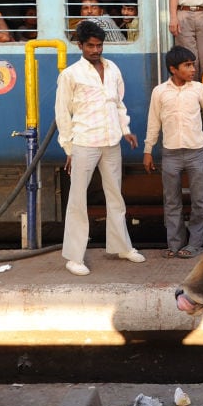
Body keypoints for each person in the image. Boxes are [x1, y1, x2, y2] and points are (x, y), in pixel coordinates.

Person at [55, 20, 146, 276]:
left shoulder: (113, 68)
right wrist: (69, 149)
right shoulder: (70, 75)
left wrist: (126, 131)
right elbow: (62, 114)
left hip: (112, 141)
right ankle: (74, 257)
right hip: (84, 142)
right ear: (80, 45)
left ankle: (121, 247)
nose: (96, 50)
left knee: (115, 195)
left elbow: (119, 104)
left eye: (99, 45)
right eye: (91, 46)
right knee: (78, 200)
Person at [143, 46, 203, 259]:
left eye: (192, 64)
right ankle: (174, 245)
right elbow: (153, 122)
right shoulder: (160, 92)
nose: (193, 69)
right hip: (170, 154)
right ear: (173, 69)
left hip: (195, 152)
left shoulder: (199, 89)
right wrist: (148, 150)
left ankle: (195, 244)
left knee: (199, 201)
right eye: (187, 65)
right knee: (172, 202)